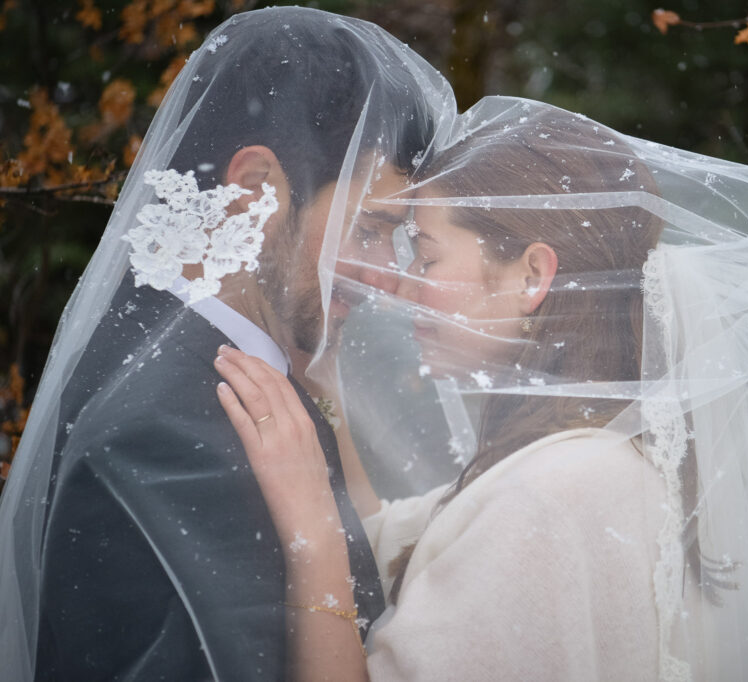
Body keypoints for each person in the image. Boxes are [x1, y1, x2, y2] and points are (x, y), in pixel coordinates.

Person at [214, 99, 748, 680]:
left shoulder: (553, 493)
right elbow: (383, 543)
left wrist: (310, 534)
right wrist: (322, 386)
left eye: (427, 259)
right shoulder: (595, 458)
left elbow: (352, 556)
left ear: (533, 274)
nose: (397, 286)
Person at [0, 8, 455, 681]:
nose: (388, 274)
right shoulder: (171, 434)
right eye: (367, 228)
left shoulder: (181, 364)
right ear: (254, 194)